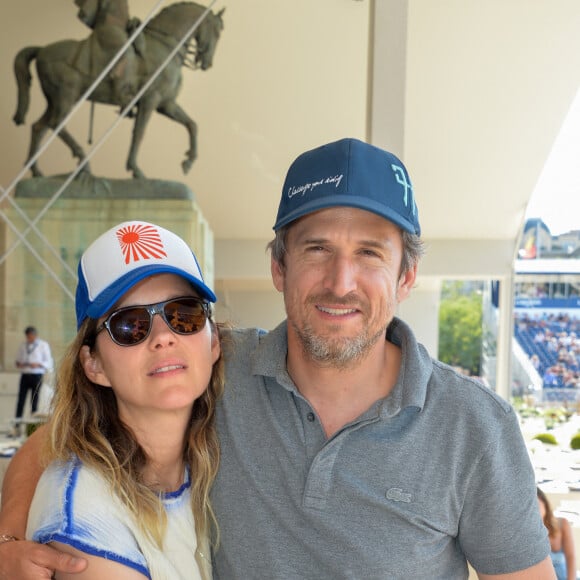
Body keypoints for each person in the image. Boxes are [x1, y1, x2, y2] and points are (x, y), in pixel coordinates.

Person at [0, 138, 556, 578]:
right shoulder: (218, 369)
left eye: (369, 253)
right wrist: (9, 543)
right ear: (279, 267)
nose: (341, 282)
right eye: (317, 249)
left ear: (405, 276)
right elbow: (69, 435)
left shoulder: (475, 425)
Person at [4, 220, 223, 579]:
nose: (163, 337)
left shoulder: (217, 432)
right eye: (130, 325)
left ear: (214, 340)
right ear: (94, 364)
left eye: (184, 314)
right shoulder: (85, 519)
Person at [14, 326, 53, 432]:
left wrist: (39, 364)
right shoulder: (23, 345)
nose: (29, 338)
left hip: (36, 375)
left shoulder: (43, 345)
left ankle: (32, 429)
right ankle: (16, 427)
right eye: (27, 336)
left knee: (34, 401)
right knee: (21, 400)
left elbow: (49, 362)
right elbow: (17, 361)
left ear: (35, 335)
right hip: (25, 374)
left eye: (30, 336)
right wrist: (20, 364)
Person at [537, 488, 576, 580]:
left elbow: (571, 557)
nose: (533, 512)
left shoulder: (562, 524)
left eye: (536, 505)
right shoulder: (527, 534)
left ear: (544, 503)